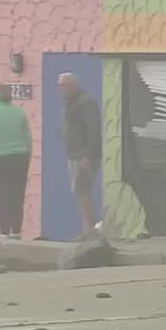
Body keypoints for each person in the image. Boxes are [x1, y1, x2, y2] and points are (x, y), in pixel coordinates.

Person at [0, 84, 32, 239]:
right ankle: (16, 230)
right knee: (18, 195)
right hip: (19, 158)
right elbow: (28, 139)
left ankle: (4, 231)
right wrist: (27, 157)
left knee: (3, 195)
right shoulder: (20, 113)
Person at [57, 73, 100, 236]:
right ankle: (87, 228)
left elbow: (94, 131)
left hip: (83, 157)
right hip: (74, 155)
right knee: (80, 192)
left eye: (62, 85)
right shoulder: (71, 103)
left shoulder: (86, 102)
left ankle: (89, 230)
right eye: (59, 85)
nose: (59, 89)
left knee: (83, 191)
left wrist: (88, 156)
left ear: (72, 85)